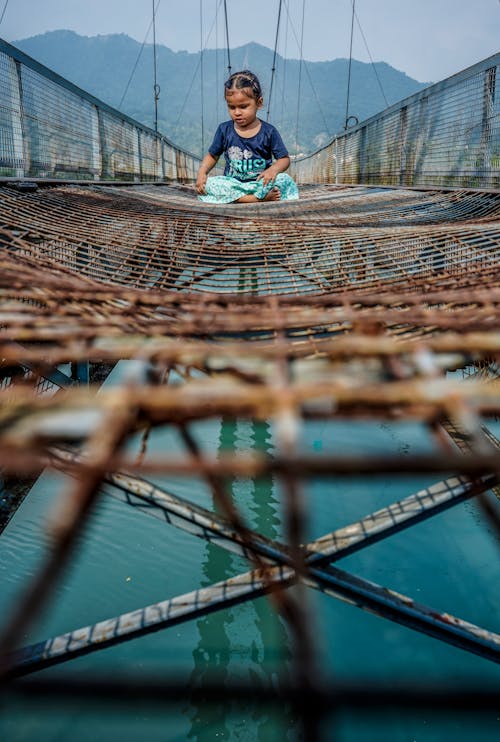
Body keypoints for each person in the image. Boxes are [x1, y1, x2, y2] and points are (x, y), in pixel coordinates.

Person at [195, 70, 299, 204]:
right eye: (231, 107)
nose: (237, 112)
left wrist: (273, 170)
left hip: (260, 183)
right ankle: (255, 199)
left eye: (243, 106)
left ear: (259, 103)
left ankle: (243, 199)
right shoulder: (224, 130)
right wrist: (202, 173)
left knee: (284, 180)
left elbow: (284, 159)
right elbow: (212, 156)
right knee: (211, 184)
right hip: (233, 185)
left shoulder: (269, 132)